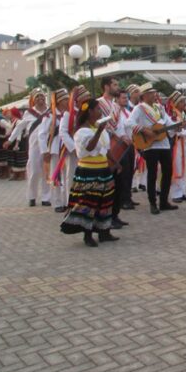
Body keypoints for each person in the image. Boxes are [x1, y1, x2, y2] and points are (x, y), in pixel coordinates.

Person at [60, 99, 119, 247]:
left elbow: (106, 149)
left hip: (103, 169)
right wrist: (99, 131)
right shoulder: (82, 131)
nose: (100, 112)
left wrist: (115, 162)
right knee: (88, 202)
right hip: (89, 171)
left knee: (105, 202)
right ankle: (88, 235)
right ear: (90, 112)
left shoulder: (99, 128)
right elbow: (90, 147)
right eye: (98, 109)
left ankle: (104, 231)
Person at [127, 83, 181, 215]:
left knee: (168, 172)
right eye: (151, 93)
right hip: (149, 145)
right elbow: (129, 122)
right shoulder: (139, 109)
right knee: (152, 174)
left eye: (154, 92)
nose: (154, 95)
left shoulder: (159, 108)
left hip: (164, 144)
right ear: (144, 95)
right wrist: (144, 130)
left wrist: (177, 126)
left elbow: (168, 123)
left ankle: (164, 201)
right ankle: (152, 203)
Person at [98, 77, 130, 229]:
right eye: (115, 84)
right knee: (109, 184)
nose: (117, 87)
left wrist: (123, 136)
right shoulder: (99, 103)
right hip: (106, 148)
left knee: (119, 182)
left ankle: (115, 215)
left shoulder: (116, 106)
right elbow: (101, 126)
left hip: (118, 147)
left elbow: (118, 127)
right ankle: (107, 217)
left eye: (118, 84)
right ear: (106, 86)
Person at [58, 85, 92, 207]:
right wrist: (73, 147)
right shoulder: (69, 113)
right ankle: (70, 201)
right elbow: (63, 131)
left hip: (85, 150)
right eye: (86, 97)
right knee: (71, 175)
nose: (88, 99)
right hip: (72, 151)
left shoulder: (87, 113)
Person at [38, 88, 70, 213]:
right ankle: (57, 202)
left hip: (67, 149)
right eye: (65, 99)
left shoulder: (69, 113)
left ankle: (67, 201)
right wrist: (45, 151)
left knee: (67, 175)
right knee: (56, 176)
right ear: (59, 101)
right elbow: (42, 134)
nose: (68, 101)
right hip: (55, 149)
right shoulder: (49, 115)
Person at [19, 89, 51, 205]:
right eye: (37, 97)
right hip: (34, 146)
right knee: (34, 171)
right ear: (33, 99)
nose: (40, 98)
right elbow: (19, 127)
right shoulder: (29, 113)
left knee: (46, 171)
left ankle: (46, 198)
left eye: (42, 96)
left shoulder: (50, 111)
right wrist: (11, 139)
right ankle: (31, 196)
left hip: (47, 145)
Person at [167, 90, 186, 203]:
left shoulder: (181, 113)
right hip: (176, 145)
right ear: (176, 103)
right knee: (177, 168)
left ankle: (182, 192)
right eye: (182, 101)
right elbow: (177, 132)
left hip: (182, 144)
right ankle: (176, 194)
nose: (185, 104)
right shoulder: (173, 115)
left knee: (183, 168)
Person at [116, 89, 138, 210]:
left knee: (130, 172)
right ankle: (123, 200)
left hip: (130, 144)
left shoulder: (127, 112)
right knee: (124, 173)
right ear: (117, 99)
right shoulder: (116, 112)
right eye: (123, 98)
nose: (125, 100)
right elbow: (116, 128)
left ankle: (128, 197)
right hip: (121, 145)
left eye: (126, 98)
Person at [4, 107, 28, 182]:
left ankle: (22, 175)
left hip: (19, 142)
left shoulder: (18, 121)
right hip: (13, 142)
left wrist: (17, 144)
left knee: (20, 159)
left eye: (10, 113)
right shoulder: (12, 121)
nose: (8, 114)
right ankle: (16, 174)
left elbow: (19, 133)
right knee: (14, 158)